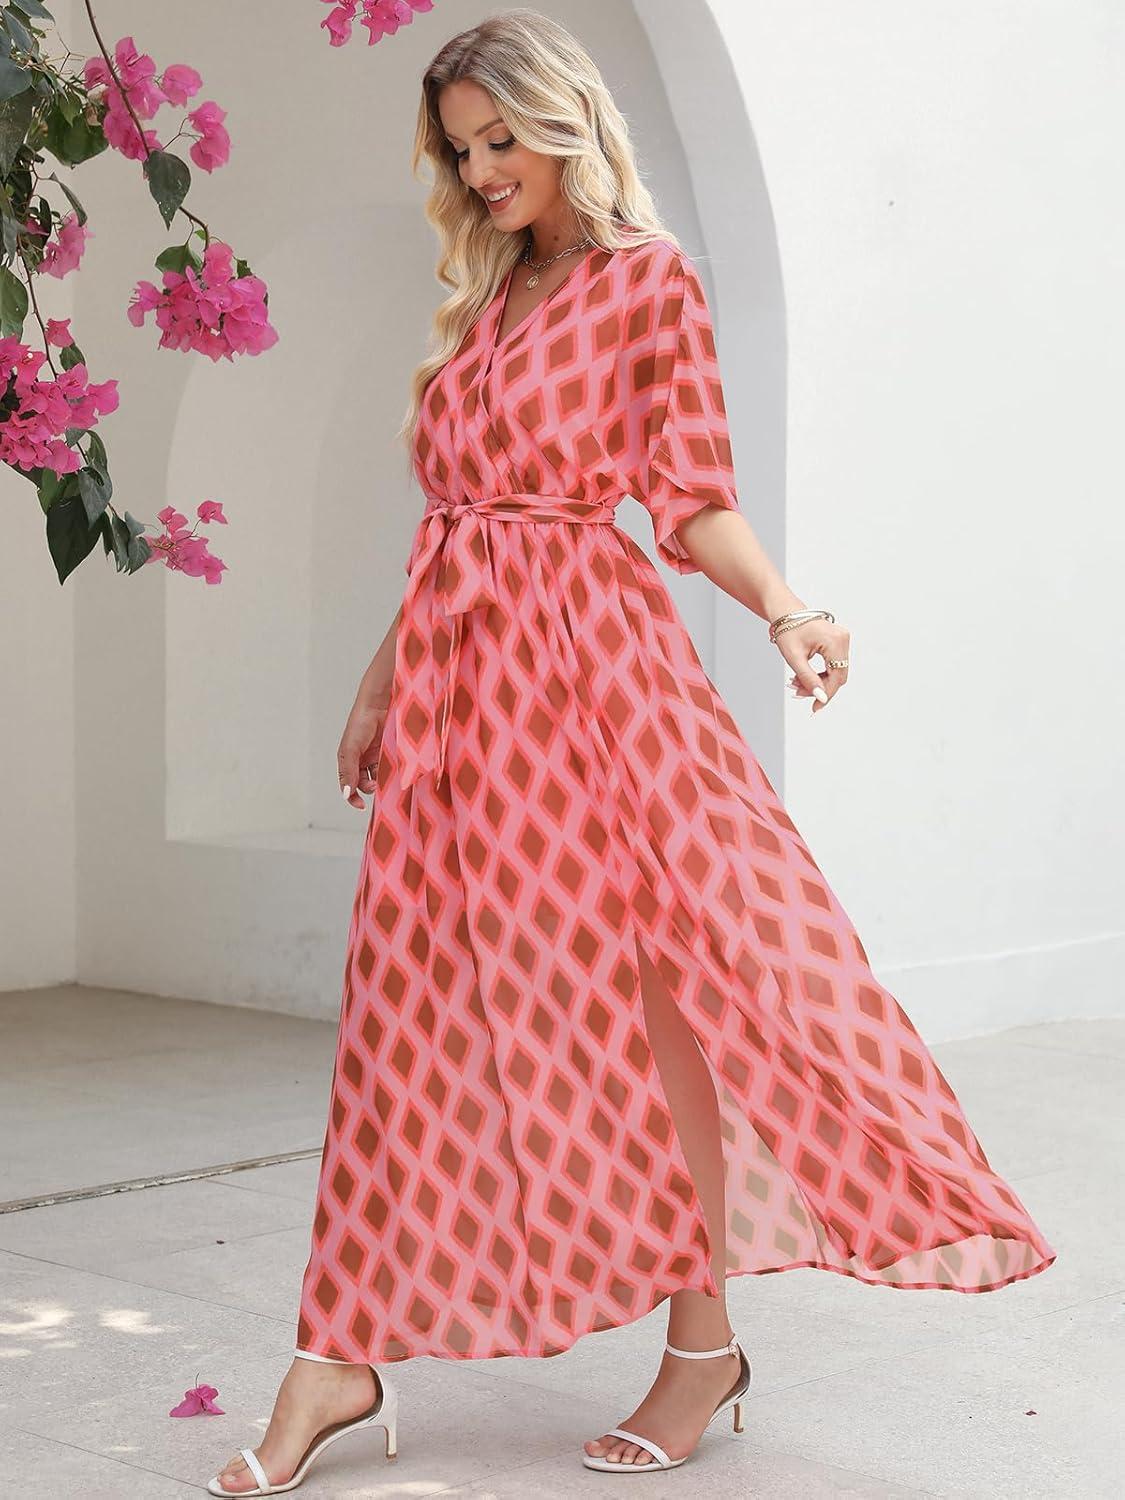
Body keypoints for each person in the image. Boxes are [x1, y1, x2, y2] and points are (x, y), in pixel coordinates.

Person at [208, 8, 1056, 1493]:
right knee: (409, 1009)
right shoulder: (486, 295)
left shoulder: (643, 282)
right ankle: (337, 1353)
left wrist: (789, 609)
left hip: (588, 682)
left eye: (502, 139)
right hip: (459, 692)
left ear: (564, 124)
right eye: (461, 148)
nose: (483, 171)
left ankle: (700, 1346)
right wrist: (378, 687)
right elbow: (454, 527)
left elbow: (690, 497)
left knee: (665, 1008)